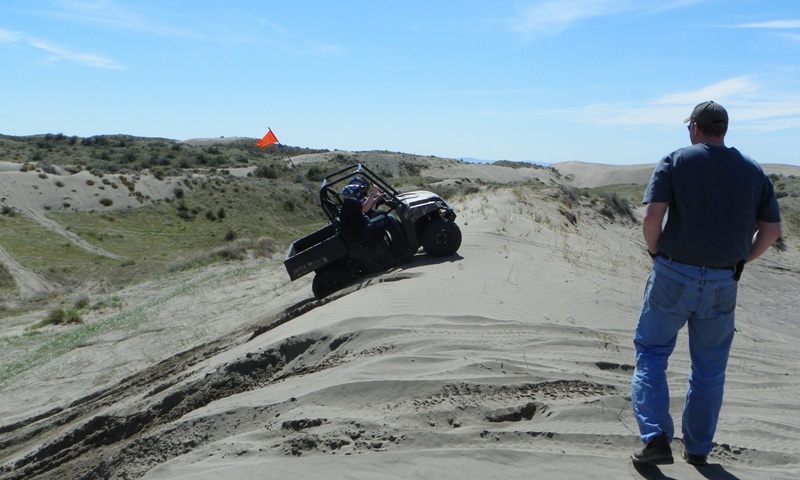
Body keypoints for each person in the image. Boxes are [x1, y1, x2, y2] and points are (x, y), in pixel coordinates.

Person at [630, 101, 782, 467]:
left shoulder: (676, 160)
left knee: (651, 354)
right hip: (722, 279)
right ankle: (697, 447)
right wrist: (742, 257)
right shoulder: (752, 170)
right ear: (723, 129)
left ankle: (655, 439)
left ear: (696, 128)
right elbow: (772, 230)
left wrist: (655, 252)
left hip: (672, 273)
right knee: (709, 368)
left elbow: (652, 216)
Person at [338, 177, 408, 256]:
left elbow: (365, 207)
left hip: (362, 229)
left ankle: (401, 243)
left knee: (385, 215)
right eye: (357, 193)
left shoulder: (349, 203)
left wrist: (376, 199)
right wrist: (372, 194)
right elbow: (364, 209)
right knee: (387, 217)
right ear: (351, 195)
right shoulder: (349, 205)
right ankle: (402, 248)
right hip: (362, 233)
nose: (359, 195)